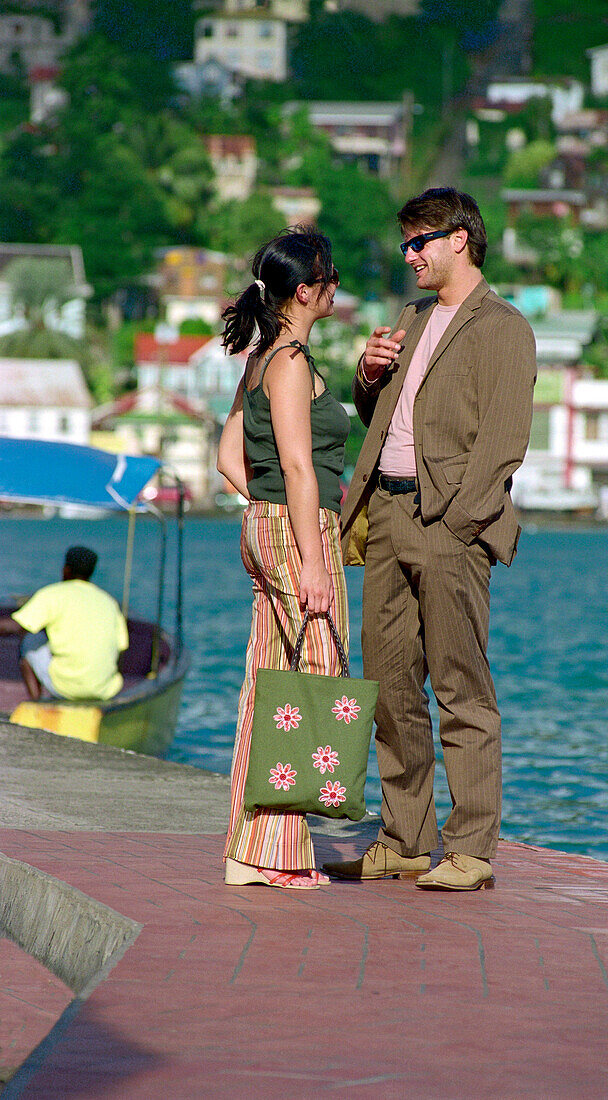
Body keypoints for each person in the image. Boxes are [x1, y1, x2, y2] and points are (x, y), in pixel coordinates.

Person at [323, 188, 536, 891]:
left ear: (460, 241)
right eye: (407, 243)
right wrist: (367, 374)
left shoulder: (504, 327)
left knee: (460, 687)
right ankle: (406, 837)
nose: (409, 254)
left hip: (449, 524)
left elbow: (504, 443)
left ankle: (470, 847)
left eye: (420, 242)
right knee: (387, 687)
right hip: (384, 512)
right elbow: (375, 414)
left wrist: (459, 525)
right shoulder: (410, 318)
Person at [217, 227, 350, 891]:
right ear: (307, 291)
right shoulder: (291, 360)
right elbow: (298, 466)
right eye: (330, 278)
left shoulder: (261, 355)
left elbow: (226, 460)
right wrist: (315, 562)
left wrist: (264, 510)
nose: (337, 288)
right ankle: (279, 855)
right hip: (301, 533)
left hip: (264, 525)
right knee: (311, 686)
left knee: (270, 682)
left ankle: (253, 848)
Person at [0, 546, 128, 701]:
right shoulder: (109, 602)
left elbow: (16, 626)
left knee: (30, 640)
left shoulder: (53, 594)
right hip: (105, 690)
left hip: (66, 688)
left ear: (66, 570)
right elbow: (121, 647)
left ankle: (36, 702)